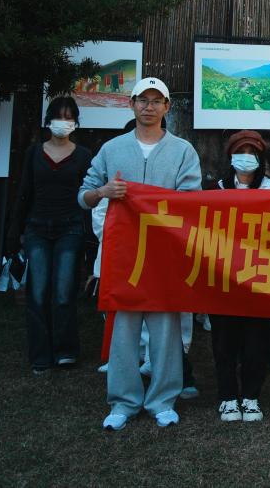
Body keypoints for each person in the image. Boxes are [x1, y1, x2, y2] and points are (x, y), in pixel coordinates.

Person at [79, 77, 202, 431]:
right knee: (123, 330)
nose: (149, 107)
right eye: (142, 100)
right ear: (131, 104)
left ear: (167, 107)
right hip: (124, 255)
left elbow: (191, 200)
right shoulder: (112, 149)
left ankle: (162, 400)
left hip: (164, 254)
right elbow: (85, 195)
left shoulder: (182, 150)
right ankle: (123, 401)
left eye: (156, 101)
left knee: (165, 330)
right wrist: (103, 191)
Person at [7, 96, 94, 375]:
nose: (63, 122)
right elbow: (24, 192)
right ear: (48, 120)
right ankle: (40, 353)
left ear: (76, 122)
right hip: (37, 228)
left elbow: (88, 196)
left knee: (64, 291)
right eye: (59, 116)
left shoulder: (83, 155)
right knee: (38, 291)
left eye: (69, 117)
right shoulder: (34, 153)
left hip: (71, 227)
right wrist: (15, 233)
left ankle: (66, 350)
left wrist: (90, 240)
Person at [211, 130, 270, 422]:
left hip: (260, 277)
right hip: (224, 277)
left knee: (256, 342)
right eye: (241, 152)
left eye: (252, 153)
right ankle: (227, 397)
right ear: (230, 156)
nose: (246, 158)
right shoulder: (215, 189)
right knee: (224, 341)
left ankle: (251, 396)